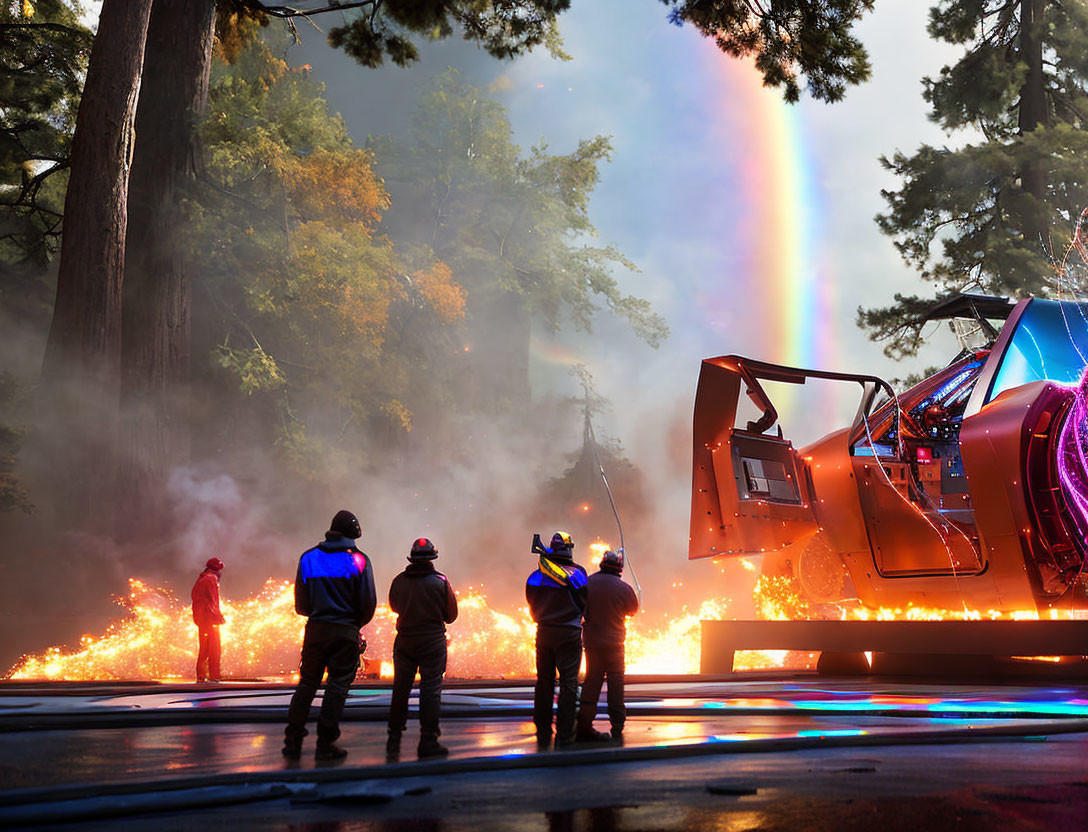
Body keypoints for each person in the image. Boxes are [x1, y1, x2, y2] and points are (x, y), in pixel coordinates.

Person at [283, 509, 377, 762]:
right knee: (337, 688)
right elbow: (368, 603)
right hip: (345, 631)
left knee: (307, 684)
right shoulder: (358, 560)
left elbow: (300, 604)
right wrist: (354, 624)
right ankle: (325, 743)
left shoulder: (309, 557)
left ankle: (292, 740)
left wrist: (318, 613)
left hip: (315, 630)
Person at [386, 537, 459, 759]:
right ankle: (428, 741)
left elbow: (393, 606)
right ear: (432, 558)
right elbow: (451, 616)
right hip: (432, 643)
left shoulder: (399, 581)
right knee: (430, 692)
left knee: (400, 690)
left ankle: (394, 737)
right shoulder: (440, 581)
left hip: (405, 641)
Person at [525, 530, 587, 749]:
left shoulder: (535, 576)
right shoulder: (578, 574)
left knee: (544, 681)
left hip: (544, 633)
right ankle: (565, 732)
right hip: (569, 634)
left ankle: (542, 728)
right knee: (569, 683)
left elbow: (531, 605)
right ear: (569, 549)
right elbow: (584, 603)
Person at [577, 549, 639, 742]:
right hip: (615, 645)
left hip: (593, 644)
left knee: (591, 683)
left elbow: (579, 609)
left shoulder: (587, 583)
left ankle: (584, 724)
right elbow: (632, 610)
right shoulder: (623, 587)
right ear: (619, 567)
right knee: (616, 686)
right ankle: (618, 726)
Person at [191, 557, 226, 682]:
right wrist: (218, 617)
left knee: (204, 649)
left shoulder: (201, 578)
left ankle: (201, 677)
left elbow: (195, 599)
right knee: (214, 649)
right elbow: (213, 601)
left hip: (201, 620)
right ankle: (214, 677)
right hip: (210, 620)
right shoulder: (211, 579)